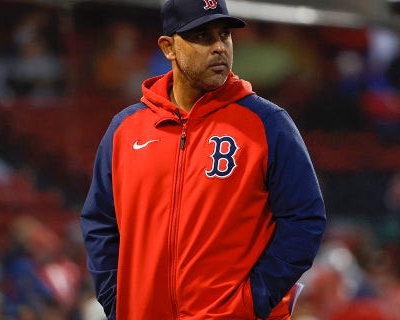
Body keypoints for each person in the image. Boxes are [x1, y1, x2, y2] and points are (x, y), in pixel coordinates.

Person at [80, 0, 327, 319]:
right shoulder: (125, 130)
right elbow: (100, 222)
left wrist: (252, 300)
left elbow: (304, 220)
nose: (219, 47)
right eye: (202, 36)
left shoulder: (267, 123)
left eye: (224, 35)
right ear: (168, 47)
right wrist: (117, 301)